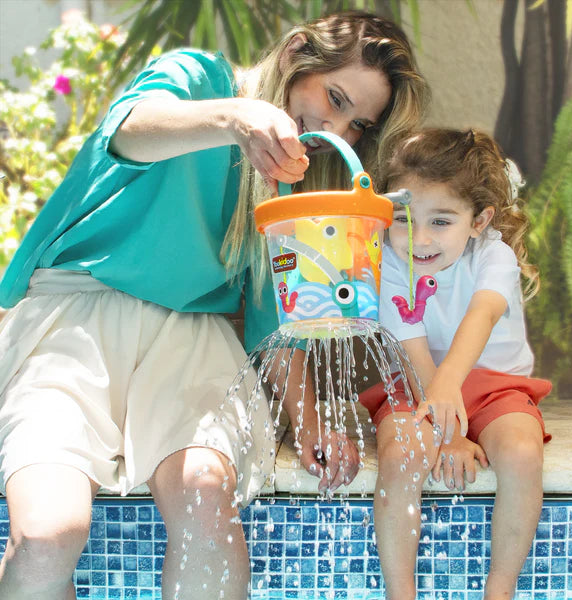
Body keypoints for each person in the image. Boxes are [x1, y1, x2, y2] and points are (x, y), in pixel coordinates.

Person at [0, 11, 429, 600]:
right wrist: (234, 118)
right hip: (76, 318)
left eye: (357, 124)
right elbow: (127, 130)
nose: (334, 126)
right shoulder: (198, 77)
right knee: (48, 534)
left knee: (204, 495)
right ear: (296, 52)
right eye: (334, 97)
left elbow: (271, 319)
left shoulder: (293, 179)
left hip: (190, 336)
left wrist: (310, 424)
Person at [359, 128, 552, 600]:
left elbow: (481, 316)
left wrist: (451, 399)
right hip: (416, 380)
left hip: (494, 386)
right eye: (404, 219)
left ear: (479, 220)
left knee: (522, 454)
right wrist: (449, 434)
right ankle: (399, 594)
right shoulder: (388, 262)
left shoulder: (493, 256)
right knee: (402, 455)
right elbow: (412, 347)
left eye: (441, 221)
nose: (420, 238)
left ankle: (499, 590)